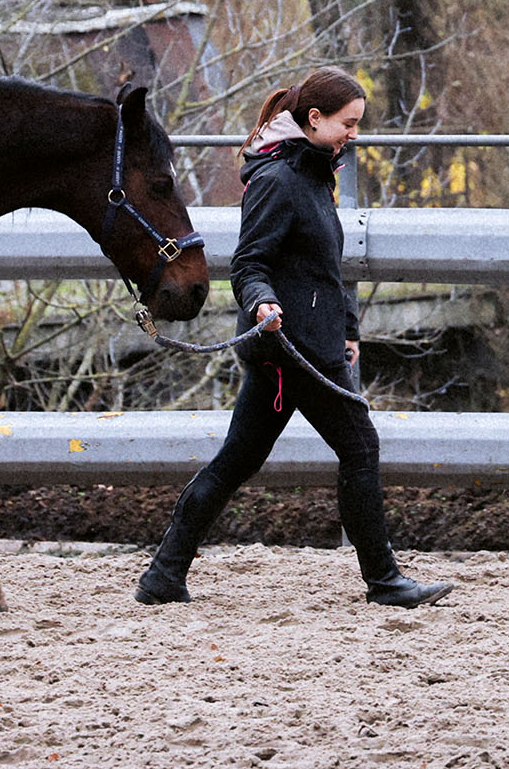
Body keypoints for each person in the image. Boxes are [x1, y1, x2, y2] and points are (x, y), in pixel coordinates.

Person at [136, 66, 452, 609]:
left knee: (236, 460)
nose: (355, 134)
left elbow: (323, 266)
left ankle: (163, 575)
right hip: (293, 348)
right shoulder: (278, 180)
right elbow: (248, 263)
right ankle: (384, 582)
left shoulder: (311, 172)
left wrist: (348, 330)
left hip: (302, 345)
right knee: (360, 448)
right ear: (314, 120)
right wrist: (262, 301)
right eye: (348, 123)